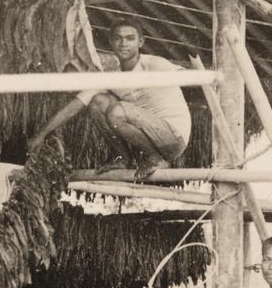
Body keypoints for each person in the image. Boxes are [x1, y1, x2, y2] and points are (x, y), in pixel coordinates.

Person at [28, 21, 195, 177]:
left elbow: (192, 77)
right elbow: (76, 105)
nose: (123, 44)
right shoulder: (111, 74)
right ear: (111, 42)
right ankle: (123, 158)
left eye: (130, 38)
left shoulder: (154, 64)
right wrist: (41, 134)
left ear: (141, 42)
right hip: (145, 140)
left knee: (117, 112)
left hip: (173, 138)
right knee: (97, 102)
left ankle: (156, 160)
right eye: (118, 39)